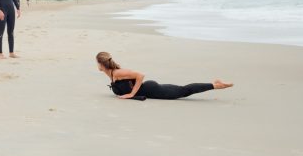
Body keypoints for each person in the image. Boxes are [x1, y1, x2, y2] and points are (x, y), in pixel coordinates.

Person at [95, 52, 234, 101]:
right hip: (150, 90)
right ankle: (214, 83)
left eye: (97, 63)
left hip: (152, 89)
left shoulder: (118, 73)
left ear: (102, 64)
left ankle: (216, 85)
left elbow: (140, 75)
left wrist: (131, 94)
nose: (97, 65)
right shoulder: (111, 74)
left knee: (183, 91)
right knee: (182, 89)